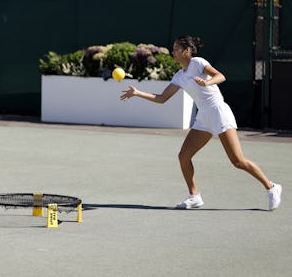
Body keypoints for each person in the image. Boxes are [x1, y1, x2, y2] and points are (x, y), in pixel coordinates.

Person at [120, 35, 282, 210]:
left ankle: (272, 187)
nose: (173, 52)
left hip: (218, 111)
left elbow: (220, 76)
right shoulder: (179, 76)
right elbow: (162, 98)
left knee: (237, 161)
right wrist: (138, 93)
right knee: (184, 156)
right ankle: (194, 196)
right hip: (203, 116)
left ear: (187, 51)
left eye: (176, 49)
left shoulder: (198, 62)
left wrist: (207, 82)